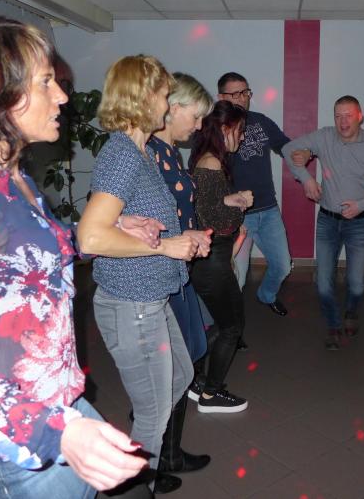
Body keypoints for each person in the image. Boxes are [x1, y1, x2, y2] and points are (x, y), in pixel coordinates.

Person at [0, 13, 147, 499]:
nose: (62, 97)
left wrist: (106, 229)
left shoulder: (13, 179)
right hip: (5, 447)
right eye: (45, 82)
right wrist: (58, 433)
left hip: (57, 403)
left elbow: (25, 258)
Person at [77, 55, 204, 494]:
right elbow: (90, 237)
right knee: (152, 413)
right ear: (143, 97)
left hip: (151, 298)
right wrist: (167, 246)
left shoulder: (140, 152)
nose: (168, 104)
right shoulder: (123, 154)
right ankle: (130, 489)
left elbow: (118, 219)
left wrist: (179, 236)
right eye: (164, 95)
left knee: (181, 376)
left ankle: (134, 467)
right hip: (131, 304)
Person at [282, 96, 364, 350]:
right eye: (338, 116)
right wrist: (306, 178)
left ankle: (351, 311)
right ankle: (334, 324)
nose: (343, 121)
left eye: (348, 115)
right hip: (327, 220)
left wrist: (362, 204)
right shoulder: (325, 136)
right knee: (323, 283)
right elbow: (288, 149)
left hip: (359, 222)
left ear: (360, 117)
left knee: (357, 284)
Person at [146, 72, 213, 477]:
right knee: (165, 370)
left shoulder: (169, 151)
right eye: (196, 115)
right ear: (173, 108)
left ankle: (168, 452)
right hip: (159, 275)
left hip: (178, 272)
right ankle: (155, 456)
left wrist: (193, 235)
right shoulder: (148, 151)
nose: (200, 125)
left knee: (187, 357)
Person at [187, 100, 253, 413]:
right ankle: (210, 395)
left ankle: (193, 378)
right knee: (232, 327)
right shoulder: (211, 163)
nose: (242, 136)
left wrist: (232, 201)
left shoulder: (207, 159)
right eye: (240, 130)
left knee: (222, 324)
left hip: (212, 258)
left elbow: (208, 206)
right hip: (212, 260)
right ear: (226, 129)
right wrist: (239, 206)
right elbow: (211, 217)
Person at [217, 72, 291, 318]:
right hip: (237, 215)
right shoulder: (212, 129)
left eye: (245, 92)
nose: (242, 98)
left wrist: (299, 152)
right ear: (221, 97)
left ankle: (266, 295)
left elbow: (284, 145)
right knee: (236, 276)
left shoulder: (261, 121)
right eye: (235, 94)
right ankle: (229, 326)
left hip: (268, 210)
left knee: (283, 266)